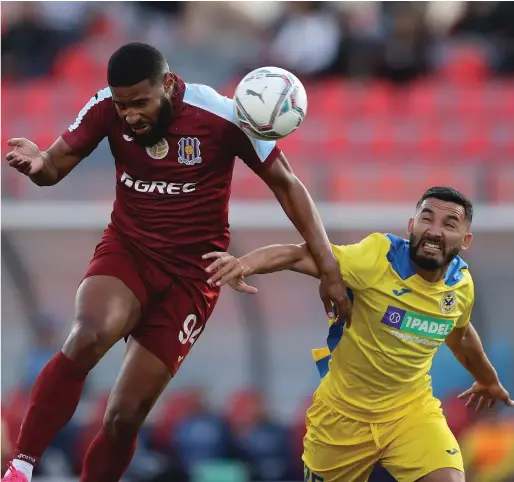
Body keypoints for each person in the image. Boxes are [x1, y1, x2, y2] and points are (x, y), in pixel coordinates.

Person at [3, 42, 351, 482]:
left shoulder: (222, 115)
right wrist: (39, 167)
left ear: (167, 85)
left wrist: (330, 269)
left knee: (124, 416)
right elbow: (54, 165)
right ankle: (20, 466)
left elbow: (288, 185)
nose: (130, 115)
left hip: (191, 277)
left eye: (140, 103)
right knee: (88, 335)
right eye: (122, 105)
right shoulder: (105, 108)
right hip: (128, 251)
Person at [203, 186, 514, 482]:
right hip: (341, 417)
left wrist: (488, 379)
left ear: (465, 239)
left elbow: (459, 334)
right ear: (411, 225)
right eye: (426, 218)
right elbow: (297, 255)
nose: (434, 230)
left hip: (410, 414)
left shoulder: (461, 285)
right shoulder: (377, 258)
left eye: (449, 223)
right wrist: (242, 264)